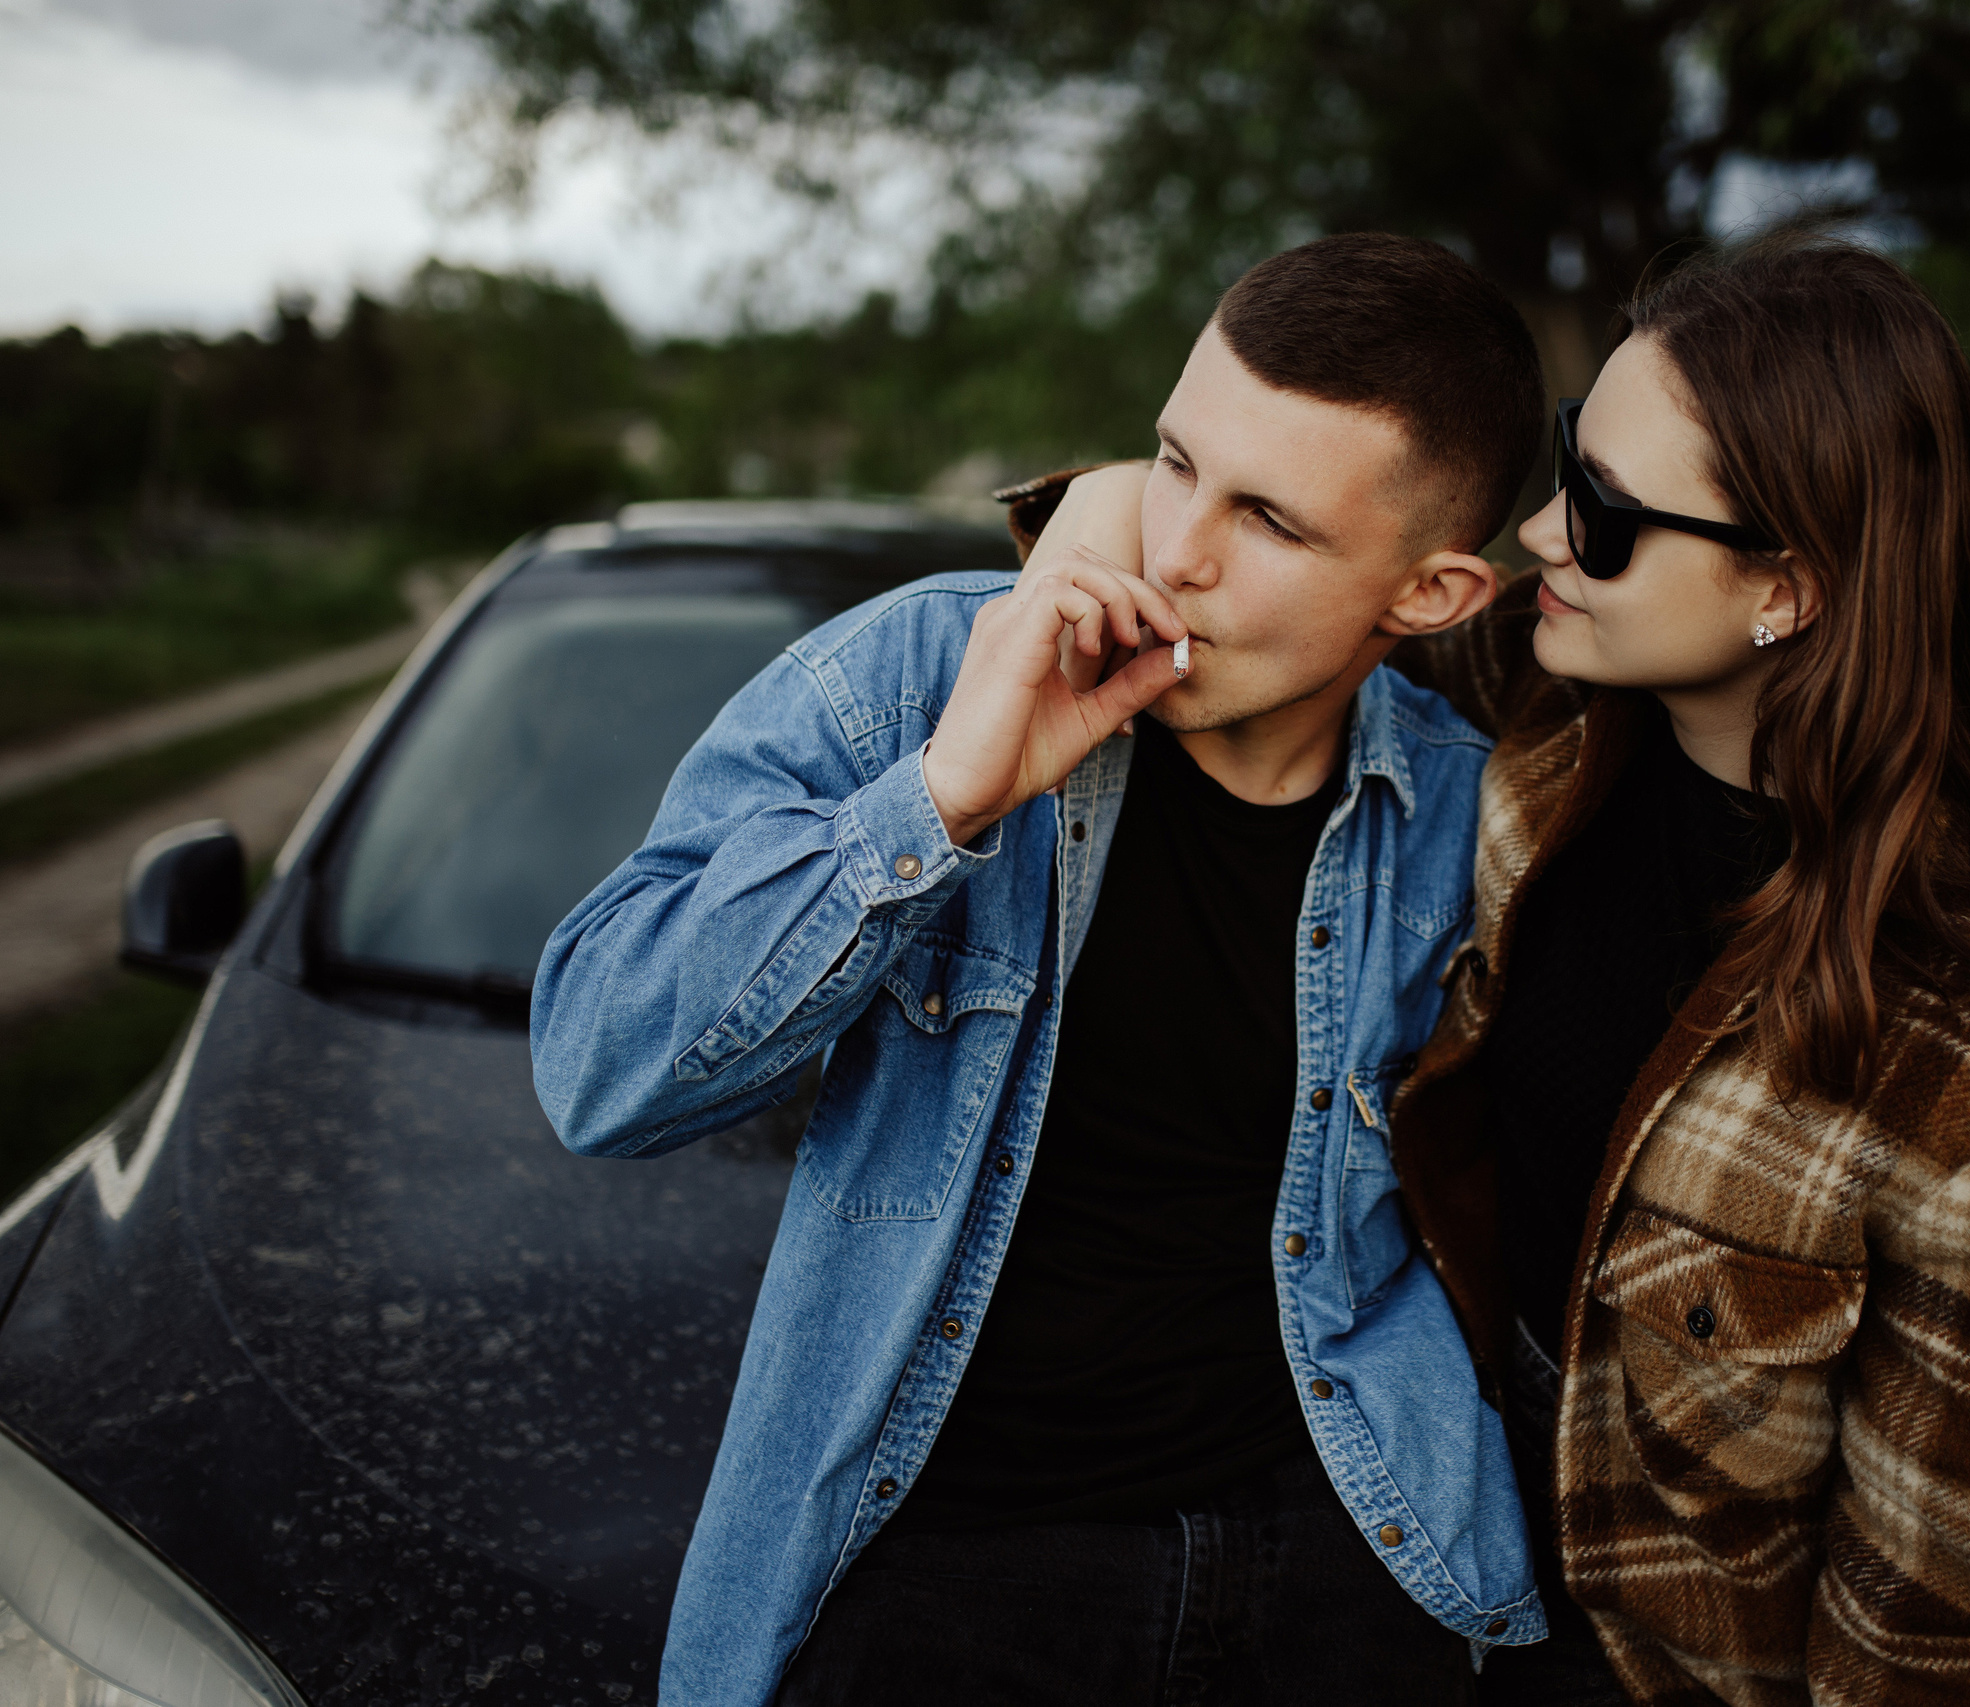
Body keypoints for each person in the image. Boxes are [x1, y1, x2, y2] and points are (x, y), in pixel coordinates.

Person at [1038, 234, 1970, 1706]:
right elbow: (1237, 530)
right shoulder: (1542, 702)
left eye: (1610, 516)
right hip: (1442, 1562)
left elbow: (1943, 1639)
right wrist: (1093, 523)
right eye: (1575, 459)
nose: (1545, 534)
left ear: (1791, 586)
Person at [529, 233, 1555, 1707]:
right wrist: (941, 803)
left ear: (1434, 593)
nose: (1176, 548)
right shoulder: (920, 676)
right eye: (1173, 462)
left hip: (1342, 1547)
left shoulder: (1469, 818)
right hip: (949, 1558)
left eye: (1267, 518)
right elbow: (596, 1066)